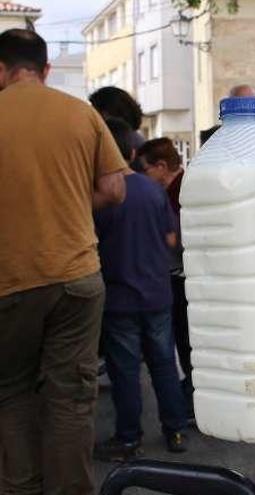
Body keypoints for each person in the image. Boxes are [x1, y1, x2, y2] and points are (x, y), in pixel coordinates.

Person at [0, 29, 126, 494]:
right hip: (77, 276)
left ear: (0, 70)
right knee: (71, 397)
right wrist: (67, 200)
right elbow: (115, 189)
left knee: (11, 392)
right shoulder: (81, 112)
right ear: (46, 69)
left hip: (9, 281)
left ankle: (21, 487)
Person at [92, 118, 189, 461]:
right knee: (164, 363)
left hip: (119, 298)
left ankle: (128, 439)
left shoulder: (98, 195)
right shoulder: (153, 191)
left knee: (125, 371)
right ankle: (176, 430)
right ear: (132, 152)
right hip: (158, 293)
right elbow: (171, 239)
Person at [136, 137, 193, 418]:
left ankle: (192, 402)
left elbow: (179, 240)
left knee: (186, 342)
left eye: (145, 170)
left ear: (161, 167)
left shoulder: (180, 191)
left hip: (182, 277)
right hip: (181, 276)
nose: (144, 177)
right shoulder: (176, 188)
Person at [89, 86, 147, 171]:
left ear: (106, 114)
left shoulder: (115, 142)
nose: (91, 117)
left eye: (94, 112)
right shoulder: (137, 141)